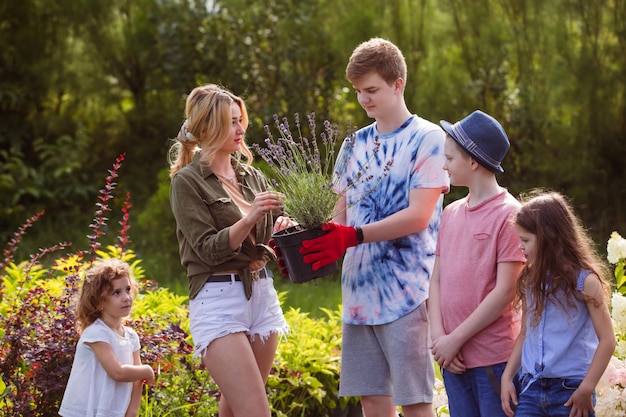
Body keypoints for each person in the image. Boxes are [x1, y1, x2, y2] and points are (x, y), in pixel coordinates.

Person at [300, 38, 450, 417]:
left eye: (371, 90)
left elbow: (419, 216)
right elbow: (340, 215)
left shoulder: (428, 138)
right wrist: (306, 241)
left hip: (407, 291)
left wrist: (353, 236)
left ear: (397, 84)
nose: (363, 100)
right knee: (372, 402)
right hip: (358, 292)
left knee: (416, 402)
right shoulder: (354, 144)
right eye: (357, 92)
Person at [168, 84, 290, 417]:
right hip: (218, 299)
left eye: (240, 120)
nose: (240, 129)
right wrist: (251, 216)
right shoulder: (187, 182)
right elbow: (208, 249)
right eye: (230, 122)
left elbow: (266, 235)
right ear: (208, 128)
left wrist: (281, 230)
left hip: (262, 295)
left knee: (235, 410)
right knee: (256, 411)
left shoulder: (251, 176)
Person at [428, 110, 526, 416]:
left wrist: (454, 340)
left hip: (493, 361)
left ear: (473, 161)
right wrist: (439, 340)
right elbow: (436, 280)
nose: (444, 166)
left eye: (450, 159)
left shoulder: (510, 215)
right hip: (453, 359)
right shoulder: (451, 212)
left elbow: (505, 292)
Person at [500, 191, 616, 417]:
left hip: (571, 392)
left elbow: (607, 340)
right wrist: (507, 377)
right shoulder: (530, 279)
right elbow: (524, 333)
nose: (520, 247)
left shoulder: (585, 282)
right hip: (531, 389)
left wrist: (587, 387)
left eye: (525, 240)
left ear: (548, 237)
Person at [59, 259, 155, 417]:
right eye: (116, 292)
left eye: (128, 289)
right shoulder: (96, 333)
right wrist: (147, 370)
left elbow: (137, 381)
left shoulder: (131, 337)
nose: (126, 297)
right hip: (85, 411)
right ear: (99, 302)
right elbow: (117, 372)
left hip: (114, 411)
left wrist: (131, 411)